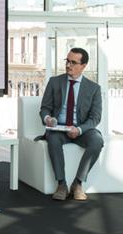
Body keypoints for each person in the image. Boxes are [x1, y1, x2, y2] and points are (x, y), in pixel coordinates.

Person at [39, 47, 103, 201]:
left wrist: (79, 130)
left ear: (83, 66)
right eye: (67, 61)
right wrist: (47, 118)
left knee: (97, 141)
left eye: (73, 62)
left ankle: (78, 183)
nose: (68, 65)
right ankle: (61, 184)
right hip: (59, 128)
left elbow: (95, 118)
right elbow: (45, 108)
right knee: (52, 139)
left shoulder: (94, 88)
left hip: (81, 129)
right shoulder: (54, 82)